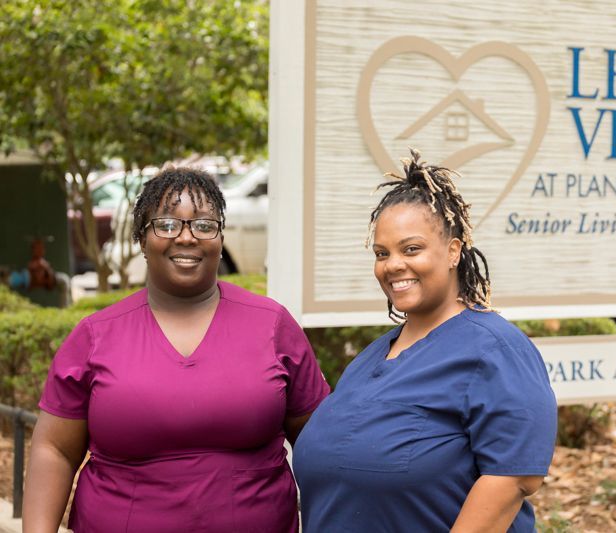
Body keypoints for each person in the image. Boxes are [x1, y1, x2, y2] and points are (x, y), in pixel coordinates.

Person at [23, 167, 329, 532]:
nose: (186, 237)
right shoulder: (95, 336)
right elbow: (54, 450)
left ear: (219, 237)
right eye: (166, 225)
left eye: (203, 225)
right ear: (142, 238)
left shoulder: (273, 326)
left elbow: (320, 446)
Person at [293, 149, 557, 532]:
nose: (393, 265)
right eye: (382, 253)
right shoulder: (370, 359)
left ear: (453, 251)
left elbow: (514, 479)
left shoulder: (497, 349)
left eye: (411, 249)